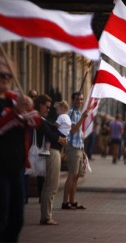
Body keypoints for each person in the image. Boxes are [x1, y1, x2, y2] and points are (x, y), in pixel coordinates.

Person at [0, 56, 40, 242]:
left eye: (9, 75)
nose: (6, 79)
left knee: (17, 219)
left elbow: (35, 120)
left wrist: (26, 107)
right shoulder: (12, 106)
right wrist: (15, 115)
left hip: (16, 167)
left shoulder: (16, 99)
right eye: (2, 75)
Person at [34, 95, 67, 225]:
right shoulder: (38, 119)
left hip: (53, 152)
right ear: (40, 105)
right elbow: (50, 135)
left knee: (48, 185)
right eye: (47, 107)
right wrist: (60, 139)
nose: (48, 110)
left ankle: (45, 215)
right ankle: (47, 216)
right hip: (51, 152)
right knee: (51, 185)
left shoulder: (42, 119)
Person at [61, 92, 89, 210]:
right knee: (71, 175)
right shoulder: (71, 114)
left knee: (76, 176)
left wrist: (83, 149)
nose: (80, 101)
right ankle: (65, 202)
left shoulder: (78, 113)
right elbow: (73, 130)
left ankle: (72, 201)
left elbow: (80, 134)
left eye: (82, 99)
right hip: (72, 147)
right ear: (73, 100)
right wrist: (83, 119)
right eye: (78, 99)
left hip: (78, 147)